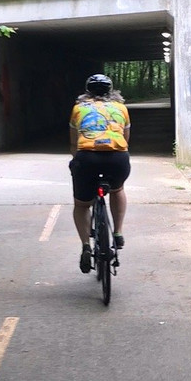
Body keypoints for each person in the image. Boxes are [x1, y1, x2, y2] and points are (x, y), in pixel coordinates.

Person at [69, 74, 131, 273]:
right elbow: (126, 138)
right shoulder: (121, 108)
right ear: (111, 91)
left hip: (87, 158)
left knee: (81, 205)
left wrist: (75, 160)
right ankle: (118, 232)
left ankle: (86, 246)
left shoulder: (78, 108)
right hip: (117, 159)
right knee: (117, 189)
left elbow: (73, 141)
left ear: (87, 91)